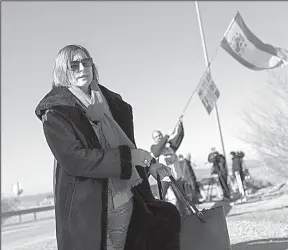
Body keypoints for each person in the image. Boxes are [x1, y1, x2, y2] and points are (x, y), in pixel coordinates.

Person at [35, 44, 176, 250]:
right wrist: (128, 158)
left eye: (86, 62)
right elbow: (75, 159)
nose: (82, 69)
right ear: (62, 71)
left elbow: (126, 144)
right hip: (86, 208)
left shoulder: (112, 103)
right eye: (74, 66)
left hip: (124, 199)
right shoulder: (56, 112)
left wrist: (149, 165)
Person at [150, 118, 189, 216]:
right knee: (160, 200)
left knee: (182, 200)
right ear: (154, 140)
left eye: (160, 135)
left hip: (176, 178)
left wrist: (180, 125)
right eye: (156, 137)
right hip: (164, 179)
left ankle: (185, 217)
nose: (159, 137)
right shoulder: (154, 148)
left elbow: (179, 136)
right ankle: (158, 218)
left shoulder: (170, 147)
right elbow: (157, 151)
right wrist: (167, 136)